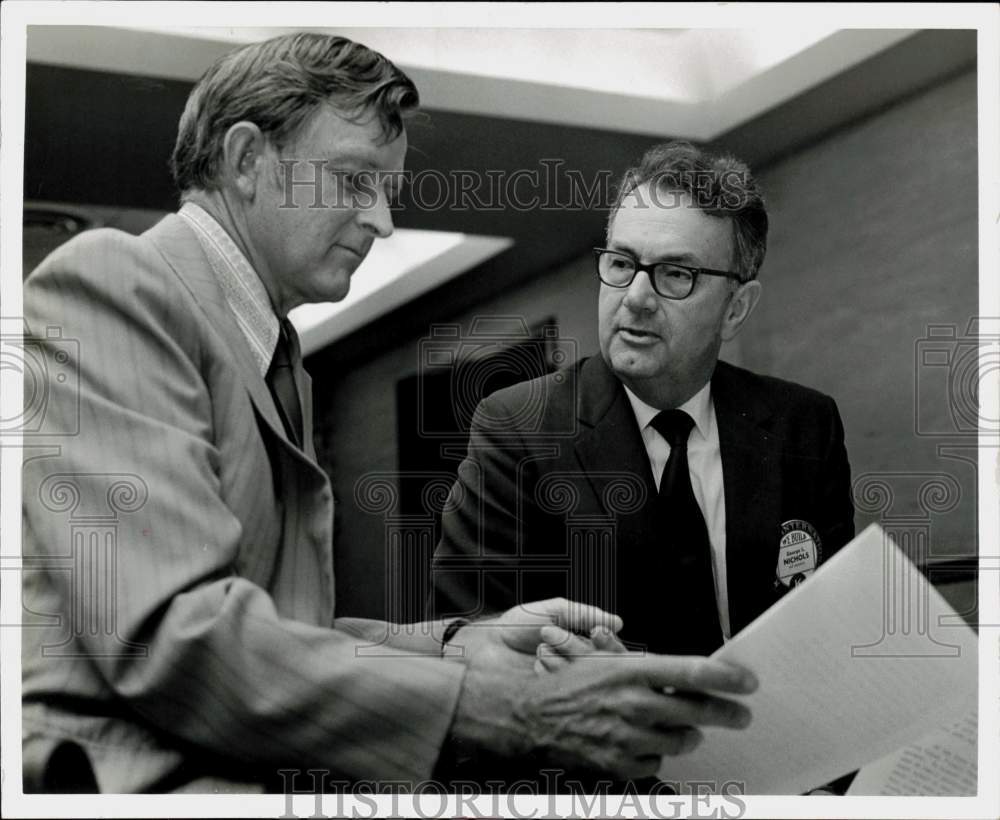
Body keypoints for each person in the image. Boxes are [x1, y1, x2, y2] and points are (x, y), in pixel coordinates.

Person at [20, 34, 757, 794]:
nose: (382, 221)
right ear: (245, 161)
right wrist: (506, 708)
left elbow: (279, 631)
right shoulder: (111, 281)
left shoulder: (274, 352)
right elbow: (170, 637)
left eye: (386, 187)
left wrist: (461, 648)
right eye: (353, 180)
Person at [433, 141, 855, 659]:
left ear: (735, 307)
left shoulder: (803, 426)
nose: (635, 296)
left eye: (676, 274)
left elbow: (831, 624)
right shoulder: (519, 428)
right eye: (621, 262)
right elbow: (469, 637)